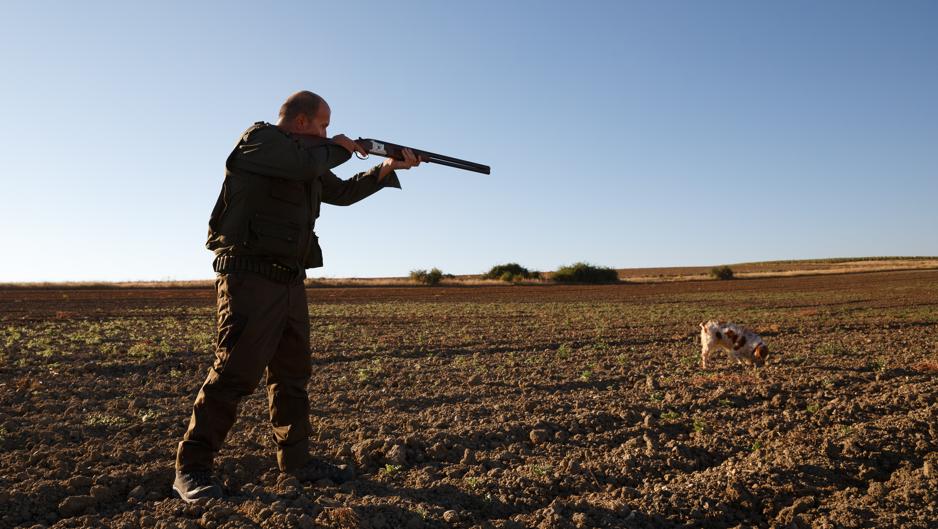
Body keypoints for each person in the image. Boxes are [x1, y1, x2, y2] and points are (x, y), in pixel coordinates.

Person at [173, 91, 421, 502]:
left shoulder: (309, 160)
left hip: (290, 279)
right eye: (323, 125)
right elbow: (303, 163)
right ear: (302, 122)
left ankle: (298, 462)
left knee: (292, 375)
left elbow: (338, 193)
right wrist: (338, 147)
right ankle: (192, 469)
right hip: (249, 276)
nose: (327, 132)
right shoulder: (260, 141)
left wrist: (386, 167)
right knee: (235, 371)